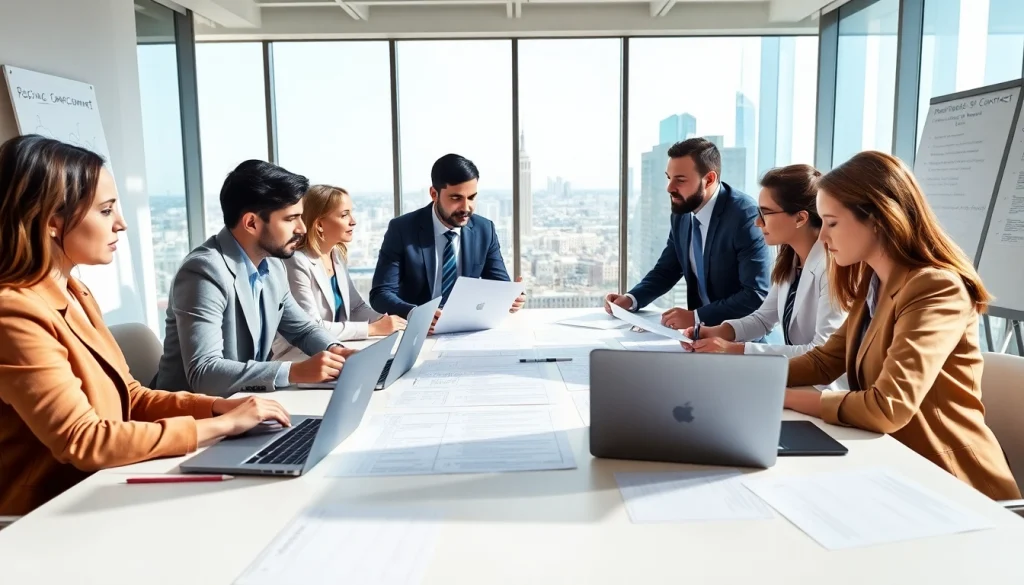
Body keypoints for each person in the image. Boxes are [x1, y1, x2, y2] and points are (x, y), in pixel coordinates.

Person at [0, 136, 291, 516]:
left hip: (103, 488)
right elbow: (83, 439)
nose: (120, 223)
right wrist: (222, 427)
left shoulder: (75, 292)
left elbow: (131, 399)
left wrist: (219, 408)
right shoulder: (14, 312)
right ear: (54, 223)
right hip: (48, 514)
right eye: (105, 211)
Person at [783, 151, 1020, 501]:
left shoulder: (935, 287)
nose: (822, 239)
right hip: (893, 471)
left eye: (831, 223)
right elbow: (823, 361)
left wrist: (784, 397)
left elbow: (887, 407)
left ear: (877, 218)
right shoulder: (874, 283)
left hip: (954, 488)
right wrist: (746, 377)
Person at [154, 160, 356, 396]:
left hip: (244, 406)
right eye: (291, 219)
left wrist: (336, 350)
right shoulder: (203, 271)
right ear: (251, 223)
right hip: (193, 418)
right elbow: (204, 373)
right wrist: (293, 372)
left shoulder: (273, 265)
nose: (302, 228)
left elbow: (302, 329)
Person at [681, 165, 848, 389]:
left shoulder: (832, 267)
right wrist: (720, 332)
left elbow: (821, 352)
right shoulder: (790, 260)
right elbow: (763, 319)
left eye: (765, 213)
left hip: (827, 391)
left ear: (800, 218)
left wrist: (736, 349)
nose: (757, 222)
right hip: (797, 383)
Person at [604, 138, 771, 332]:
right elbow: (666, 270)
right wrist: (631, 299)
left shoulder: (744, 217)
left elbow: (755, 294)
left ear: (709, 179)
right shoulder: (682, 213)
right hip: (697, 337)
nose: (670, 188)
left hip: (738, 338)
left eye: (680, 180)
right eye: (669, 178)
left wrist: (696, 317)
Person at [370, 153, 526, 329]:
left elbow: (499, 286)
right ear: (434, 194)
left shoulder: (484, 229)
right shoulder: (402, 229)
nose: (466, 207)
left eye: (472, 197)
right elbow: (380, 294)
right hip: (420, 331)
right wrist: (417, 314)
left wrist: (511, 297)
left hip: (468, 328)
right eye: (456, 198)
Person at [271, 185, 406, 359]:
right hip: (300, 356)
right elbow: (312, 326)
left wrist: (385, 321)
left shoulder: (336, 254)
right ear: (319, 224)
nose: (353, 221)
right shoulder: (296, 261)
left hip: (335, 349)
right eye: (344, 215)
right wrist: (371, 329)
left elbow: (355, 307)